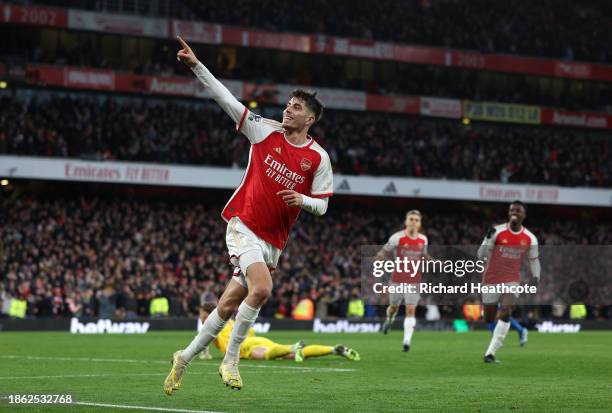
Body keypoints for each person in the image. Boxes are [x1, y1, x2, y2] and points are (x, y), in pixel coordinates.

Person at [164, 36, 333, 394]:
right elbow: (225, 98)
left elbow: (323, 205)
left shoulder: (318, 158)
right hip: (244, 226)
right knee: (262, 289)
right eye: (287, 104)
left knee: (227, 304)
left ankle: (185, 357)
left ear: (310, 118)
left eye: (296, 107)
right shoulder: (263, 131)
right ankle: (231, 361)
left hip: (273, 242)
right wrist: (197, 66)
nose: (287, 110)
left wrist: (302, 199)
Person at [478, 201, 540, 363]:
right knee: (489, 319)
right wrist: (486, 239)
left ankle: (490, 353)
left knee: (506, 310)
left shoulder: (530, 238)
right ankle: (504, 324)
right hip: (491, 279)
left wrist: (536, 277)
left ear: (523, 215)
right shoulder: (497, 232)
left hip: (511, 280)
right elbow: (480, 255)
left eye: (518, 210)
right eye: (512, 210)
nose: (514, 212)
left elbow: (534, 260)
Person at [197, 304, 359, 362]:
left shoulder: (211, 325)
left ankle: (293, 347)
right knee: (286, 354)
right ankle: (333, 349)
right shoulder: (231, 322)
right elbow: (250, 331)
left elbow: (205, 340)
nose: (200, 316)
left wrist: (205, 355)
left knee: (267, 355)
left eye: (201, 314)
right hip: (259, 339)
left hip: (244, 347)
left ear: (207, 314)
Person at [376, 210, 429, 352]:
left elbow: (423, 255)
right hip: (397, 280)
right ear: (406, 221)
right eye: (411, 219)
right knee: (393, 308)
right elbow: (384, 251)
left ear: (419, 223)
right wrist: (379, 256)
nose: (413, 222)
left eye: (416, 220)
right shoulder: (397, 238)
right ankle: (389, 319)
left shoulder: (423, 239)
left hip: (414, 280)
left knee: (410, 309)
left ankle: (407, 341)